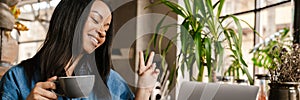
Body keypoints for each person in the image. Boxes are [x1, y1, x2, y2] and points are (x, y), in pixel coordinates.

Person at [0, 0, 159, 100]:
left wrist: (143, 90)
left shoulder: (110, 80)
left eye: (106, 27)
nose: (102, 32)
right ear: (70, 18)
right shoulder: (16, 79)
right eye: (96, 20)